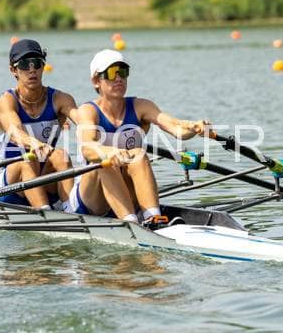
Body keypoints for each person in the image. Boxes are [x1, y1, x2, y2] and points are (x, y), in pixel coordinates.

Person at [67, 49, 210, 226]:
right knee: (105, 162)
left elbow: (176, 129)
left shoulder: (141, 106)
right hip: (91, 201)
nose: (119, 78)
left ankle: (154, 218)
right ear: (96, 81)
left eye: (123, 72)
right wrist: (110, 152)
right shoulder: (88, 111)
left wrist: (195, 127)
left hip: (126, 193)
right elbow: (87, 148)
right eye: (111, 73)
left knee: (139, 155)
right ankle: (130, 223)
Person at [0, 39, 78, 209]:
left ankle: (72, 210)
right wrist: (33, 143)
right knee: (28, 160)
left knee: (61, 155)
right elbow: (15, 132)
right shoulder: (7, 101)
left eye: (37, 63)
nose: (32, 69)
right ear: (13, 70)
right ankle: (45, 212)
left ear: (43, 66)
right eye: (25, 64)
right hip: (11, 187)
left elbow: (86, 122)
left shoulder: (61, 99)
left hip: (45, 180)